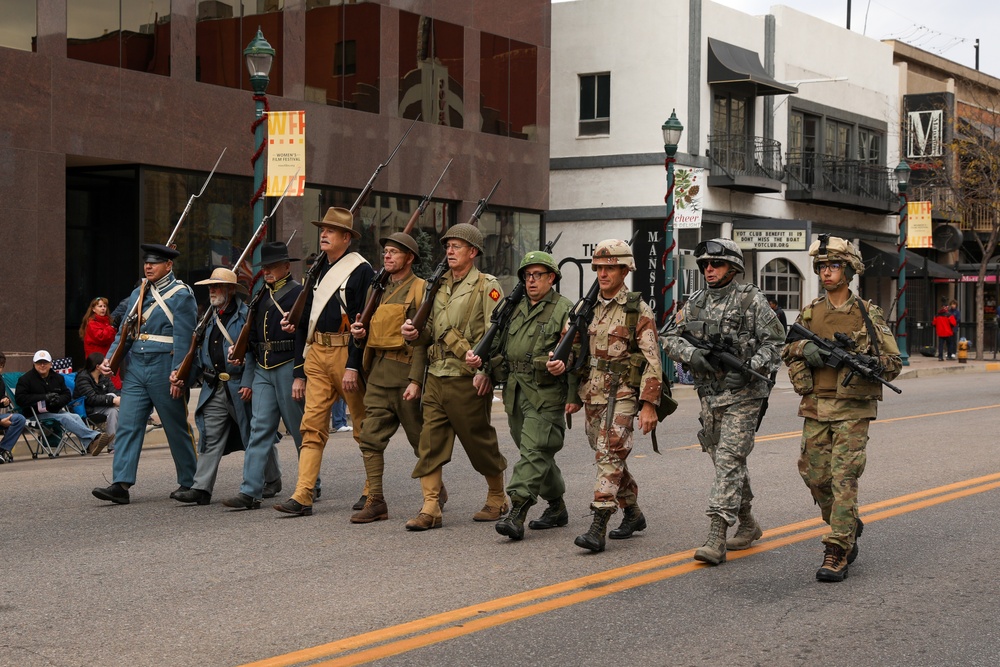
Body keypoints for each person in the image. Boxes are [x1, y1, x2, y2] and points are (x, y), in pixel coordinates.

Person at [782, 235, 901, 582]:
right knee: (814, 476)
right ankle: (845, 523)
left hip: (852, 409)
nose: (826, 272)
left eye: (834, 266)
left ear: (848, 270)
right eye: (822, 266)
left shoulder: (867, 312)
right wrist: (805, 349)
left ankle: (837, 549)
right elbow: (786, 349)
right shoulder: (811, 312)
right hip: (816, 404)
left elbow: (893, 362)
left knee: (844, 479)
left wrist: (867, 361)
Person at [661, 238, 785, 565]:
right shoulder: (696, 302)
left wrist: (751, 368)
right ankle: (747, 522)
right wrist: (694, 355)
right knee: (722, 459)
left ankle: (717, 536)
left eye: (715, 264)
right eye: (704, 265)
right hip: (710, 395)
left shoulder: (751, 301)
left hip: (745, 394)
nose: (709, 270)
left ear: (733, 267)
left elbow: (776, 343)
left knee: (729, 456)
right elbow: (668, 336)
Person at [550, 239, 661, 553]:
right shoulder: (585, 308)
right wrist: (559, 361)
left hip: (623, 392)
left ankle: (598, 526)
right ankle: (633, 512)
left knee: (609, 453)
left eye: (610, 267)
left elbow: (652, 359)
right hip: (592, 393)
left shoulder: (636, 308)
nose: (603, 273)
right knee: (607, 454)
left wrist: (649, 404)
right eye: (598, 267)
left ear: (625, 270)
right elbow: (570, 348)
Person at [400, 223, 507, 530]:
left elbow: (495, 333)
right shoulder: (438, 285)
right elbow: (429, 331)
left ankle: (497, 497)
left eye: (457, 246)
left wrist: (486, 371)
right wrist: (413, 331)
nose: (449, 250)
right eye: (447, 246)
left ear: (473, 253)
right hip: (436, 375)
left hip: (466, 377)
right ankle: (430, 507)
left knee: (478, 441)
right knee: (429, 442)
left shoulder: (487, 285)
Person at [467, 250, 576, 541]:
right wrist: (485, 369)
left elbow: (577, 353)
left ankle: (517, 511)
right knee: (537, 454)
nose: (531, 281)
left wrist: (568, 375)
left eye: (537, 275)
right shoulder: (513, 308)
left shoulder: (564, 309)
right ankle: (556, 506)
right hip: (515, 391)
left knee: (534, 451)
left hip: (546, 393)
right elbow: (498, 346)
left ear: (551, 278)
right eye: (527, 276)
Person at [273, 207, 374, 516]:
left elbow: (363, 323)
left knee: (362, 426)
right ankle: (303, 494)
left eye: (331, 230)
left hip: (346, 351)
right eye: (323, 229)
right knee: (312, 427)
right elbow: (306, 319)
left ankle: (373, 490)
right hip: (316, 352)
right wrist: (299, 371)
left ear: (347, 237)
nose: (324, 234)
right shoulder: (317, 268)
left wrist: (353, 365)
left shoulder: (361, 270)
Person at [91, 243, 198, 505]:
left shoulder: (181, 294)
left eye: (155, 262)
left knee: (175, 427)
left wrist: (179, 374)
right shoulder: (139, 292)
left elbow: (185, 339)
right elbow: (126, 331)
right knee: (128, 423)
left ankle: (192, 481)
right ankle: (121, 483)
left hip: (165, 365)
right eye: (146, 262)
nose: (148, 266)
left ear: (169, 265)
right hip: (137, 366)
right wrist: (110, 359)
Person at [170, 268, 278, 506]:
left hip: (240, 385)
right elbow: (199, 355)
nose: (212, 290)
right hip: (214, 385)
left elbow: (253, 352)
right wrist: (182, 376)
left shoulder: (246, 315)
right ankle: (201, 488)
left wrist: (249, 381)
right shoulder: (208, 317)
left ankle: (272, 479)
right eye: (210, 287)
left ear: (230, 290)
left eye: (217, 286)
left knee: (255, 434)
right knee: (210, 435)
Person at [347, 232, 433, 524]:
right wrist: (359, 336)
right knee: (369, 437)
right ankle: (376, 500)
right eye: (385, 251)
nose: (387, 256)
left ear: (409, 258)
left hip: (406, 373)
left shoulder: (421, 289)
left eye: (395, 252)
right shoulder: (378, 292)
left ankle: (433, 496)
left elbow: (422, 338)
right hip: (379, 374)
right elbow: (370, 335)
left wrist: (417, 380)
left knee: (421, 442)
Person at [221, 242, 304, 510]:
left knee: (299, 429)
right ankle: (250, 491)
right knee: (258, 430)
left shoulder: (299, 294)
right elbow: (253, 337)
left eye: (271, 266)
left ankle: (310, 484)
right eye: (264, 267)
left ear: (286, 267)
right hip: (263, 368)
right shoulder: (260, 296)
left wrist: (301, 373)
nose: (266, 271)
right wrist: (241, 352)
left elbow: (305, 338)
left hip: (289, 366)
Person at [16, 350, 113, 455]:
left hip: (55, 410)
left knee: (75, 416)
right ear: (34, 364)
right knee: (65, 418)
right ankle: (96, 436)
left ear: (50, 364)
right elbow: (20, 399)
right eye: (39, 363)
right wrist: (44, 397)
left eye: (45, 362)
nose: (42, 365)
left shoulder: (58, 378)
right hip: (35, 414)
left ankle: (90, 445)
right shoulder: (25, 379)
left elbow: (66, 395)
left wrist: (58, 401)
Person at [73, 352, 120, 454]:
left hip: (105, 408)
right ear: (97, 366)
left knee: (113, 411)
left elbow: (115, 392)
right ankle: (131, 414)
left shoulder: (104, 377)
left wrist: (118, 399)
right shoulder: (83, 378)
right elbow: (91, 399)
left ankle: (112, 447)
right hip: (87, 409)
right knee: (112, 397)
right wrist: (113, 400)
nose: (108, 366)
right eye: (105, 364)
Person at [80, 297, 122, 390]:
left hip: (108, 358)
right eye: (100, 306)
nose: (103, 308)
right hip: (97, 361)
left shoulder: (107, 322)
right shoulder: (92, 323)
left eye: (104, 306)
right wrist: (113, 327)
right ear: (93, 309)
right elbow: (102, 337)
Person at [0, 351, 26, 464]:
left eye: (1, 366)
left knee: (19, 419)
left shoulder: (0, 381)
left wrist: (4, 401)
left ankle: (1, 450)